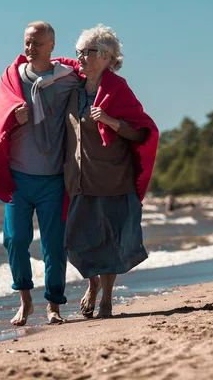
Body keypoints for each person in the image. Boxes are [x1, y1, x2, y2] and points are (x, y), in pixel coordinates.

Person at [0, 21, 81, 325]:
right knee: (15, 239)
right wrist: (12, 119)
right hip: (19, 176)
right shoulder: (12, 78)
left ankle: (54, 305)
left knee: (54, 245)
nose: (29, 49)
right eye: (27, 43)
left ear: (51, 46)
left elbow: (95, 81)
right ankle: (25, 301)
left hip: (53, 176)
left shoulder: (68, 79)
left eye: (36, 43)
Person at [63, 24, 159, 319]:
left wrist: (111, 121)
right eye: (78, 51)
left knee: (110, 243)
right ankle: (91, 284)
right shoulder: (71, 89)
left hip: (113, 178)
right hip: (79, 178)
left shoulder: (117, 88)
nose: (81, 56)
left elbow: (142, 133)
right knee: (76, 242)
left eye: (88, 52)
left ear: (106, 57)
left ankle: (106, 297)